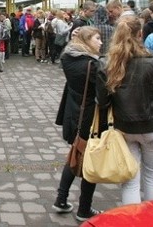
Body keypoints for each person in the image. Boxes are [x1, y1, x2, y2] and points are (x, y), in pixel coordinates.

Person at [98, 16, 153, 204]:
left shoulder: (107, 64)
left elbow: (102, 101)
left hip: (124, 127)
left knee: (130, 179)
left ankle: (131, 221)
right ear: (140, 34)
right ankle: (152, 220)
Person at [53, 26, 104, 222]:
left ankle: (61, 198)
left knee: (75, 155)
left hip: (73, 112)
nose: (100, 42)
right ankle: (84, 208)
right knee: (88, 162)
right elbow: (104, 95)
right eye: (97, 38)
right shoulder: (92, 65)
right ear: (85, 41)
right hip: (90, 117)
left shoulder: (68, 58)